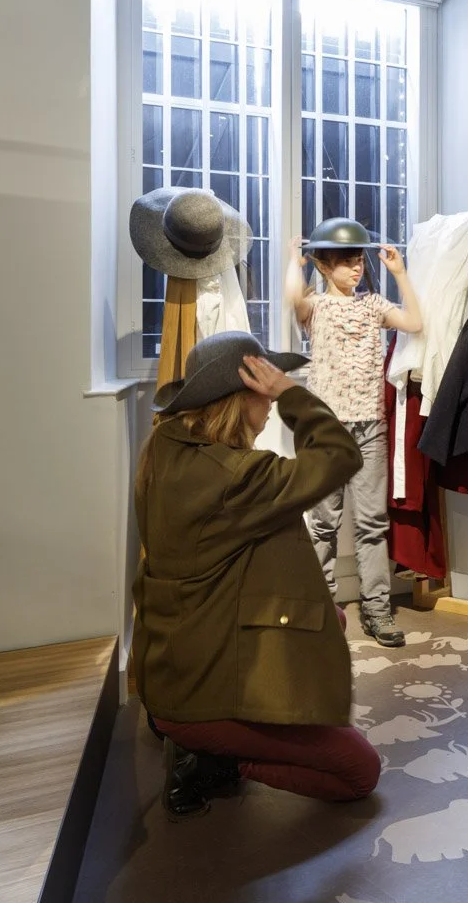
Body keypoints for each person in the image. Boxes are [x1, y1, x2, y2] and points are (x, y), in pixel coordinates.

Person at [133, 330, 380, 820]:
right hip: (196, 698)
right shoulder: (235, 477)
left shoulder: (166, 444)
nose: (269, 402)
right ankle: (215, 760)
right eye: (264, 390)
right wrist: (292, 395)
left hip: (170, 667)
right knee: (358, 771)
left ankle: (194, 736)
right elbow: (339, 455)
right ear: (238, 397)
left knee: (329, 617)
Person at [285, 218, 423, 648]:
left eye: (358, 260)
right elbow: (294, 297)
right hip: (326, 432)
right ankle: (322, 611)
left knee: (372, 525)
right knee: (323, 524)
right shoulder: (316, 307)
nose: (355, 268)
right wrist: (294, 259)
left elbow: (414, 322)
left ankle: (377, 611)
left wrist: (400, 272)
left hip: (370, 429)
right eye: (345, 262)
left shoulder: (373, 305)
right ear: (324, 266)